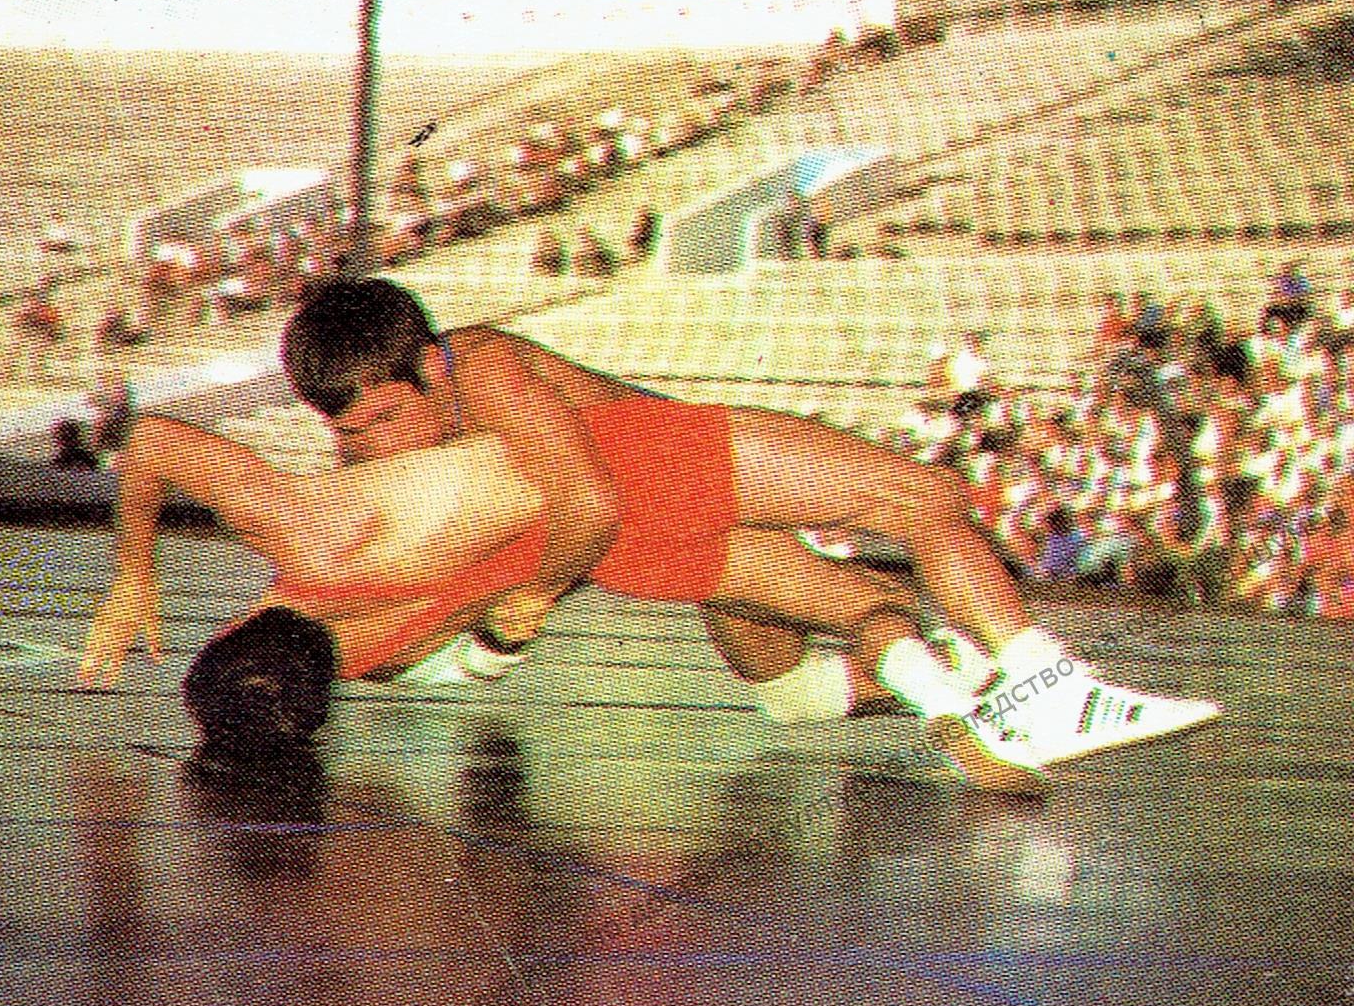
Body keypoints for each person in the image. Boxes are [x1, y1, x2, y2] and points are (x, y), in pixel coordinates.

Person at [80, 279, 1218, 783]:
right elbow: (584, 501)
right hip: (642, 476)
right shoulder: (471, 371)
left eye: (379, 418)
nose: (367, 443)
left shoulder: (423, 440)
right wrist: (520, 609)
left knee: (795, 681)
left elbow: (165, 453)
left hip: (629, 527)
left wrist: (135, 580)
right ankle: (1039, 682)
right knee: (922, 498)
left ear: (423, 370)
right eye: (349, 426)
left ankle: (957, 692)